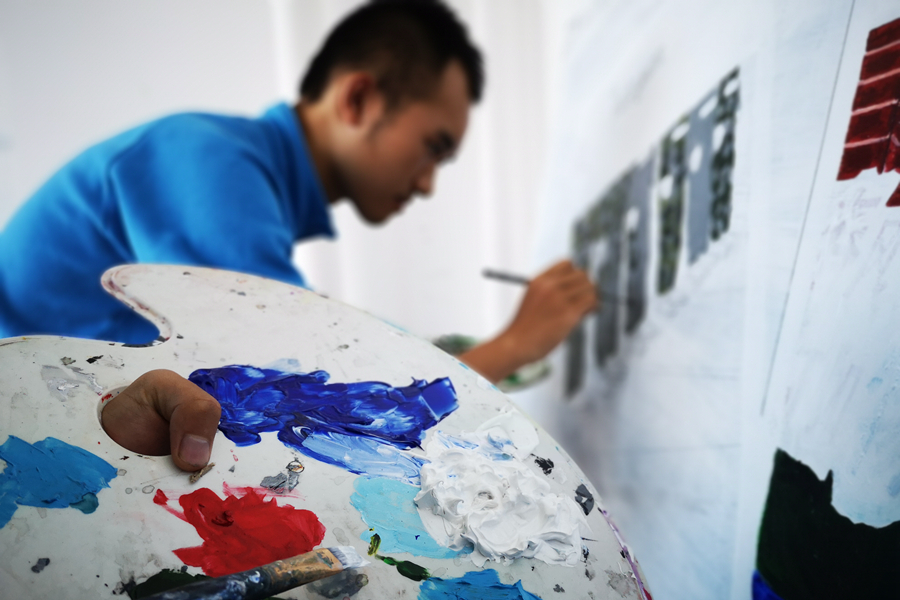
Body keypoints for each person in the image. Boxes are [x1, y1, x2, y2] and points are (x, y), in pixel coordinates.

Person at [2, 0, 597, 469]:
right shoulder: (210, 163)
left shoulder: (232, 171)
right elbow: (303, 396)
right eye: (432, 148)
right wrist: (515, 345)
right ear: (359, 98)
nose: (427, 184)